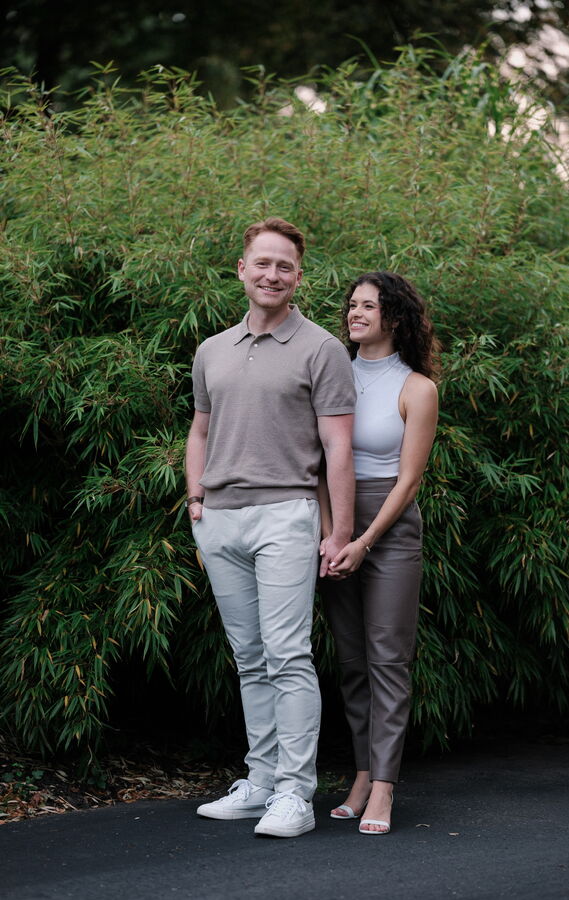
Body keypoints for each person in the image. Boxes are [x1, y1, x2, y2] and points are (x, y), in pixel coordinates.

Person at [185, 217, 356, 838]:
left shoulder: (320, 349)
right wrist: (195, 500)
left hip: (286, 514)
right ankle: (259, 782)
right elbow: (200, 430)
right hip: (221, 520)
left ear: (298, 276)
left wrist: (338, 533)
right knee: (249, 658)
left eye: (284, 266)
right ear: (242, 269)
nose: (272, 274)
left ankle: (294, 792)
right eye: (262, 263)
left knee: (287, 657)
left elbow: (340, 449)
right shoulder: (212, 350)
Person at [319, 271, 439, 835]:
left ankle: (385, 787)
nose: (355, 313)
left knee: (387, 659)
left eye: (368, 306)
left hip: (389, 530)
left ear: (393, 317)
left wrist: (364, 541)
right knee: (350, 663)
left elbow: (409, 481)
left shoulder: (416, 387)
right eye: (351, 305)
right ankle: (363, 773)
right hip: (337, 526)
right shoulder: (331, 371)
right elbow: (317, 461)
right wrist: (332, 533)